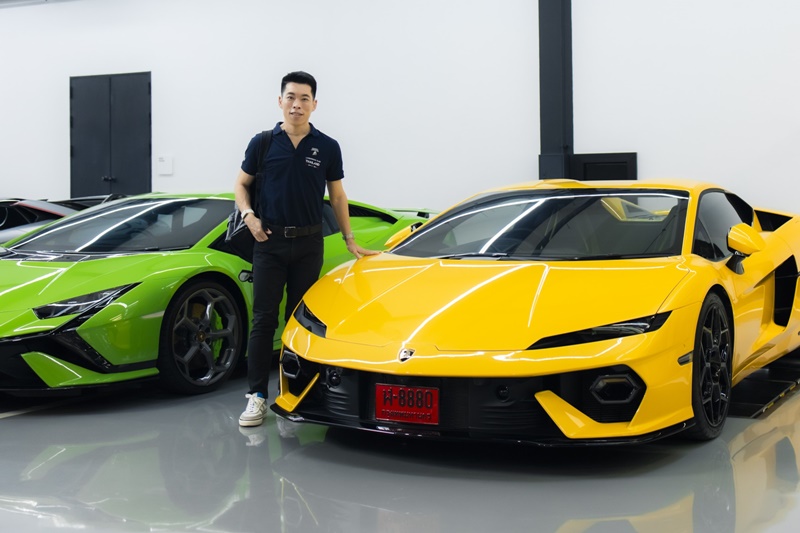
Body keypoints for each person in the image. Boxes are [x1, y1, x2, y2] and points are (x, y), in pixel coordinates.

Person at [234, 71, 377, 427]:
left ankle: (295, 393)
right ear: (280, 101)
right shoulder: (262, 143)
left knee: (300, 321)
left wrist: (349, 239)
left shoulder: (327, 146)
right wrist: (249, 216)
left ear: (314, 104)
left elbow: (337, 196)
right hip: (269, 242)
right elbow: (241, 184)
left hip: (309, 244)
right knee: (264, 319)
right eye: (291, 97)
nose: (296, 105)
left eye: (304, 99)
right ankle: (257, 396)